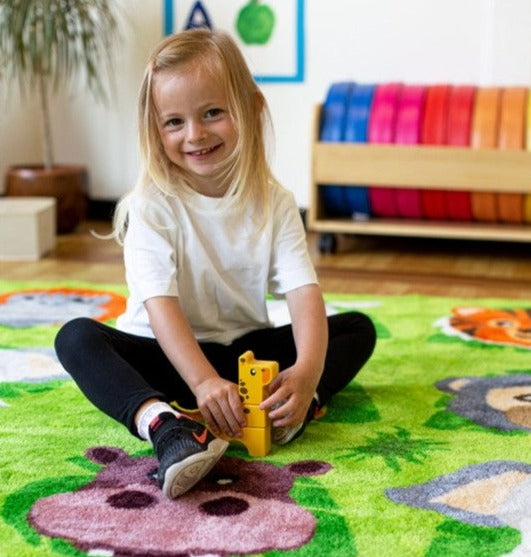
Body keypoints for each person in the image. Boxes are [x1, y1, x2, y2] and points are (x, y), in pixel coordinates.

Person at [55, 28, 376, 500]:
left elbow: (303, 291)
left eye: (212, 113)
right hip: (165, 357)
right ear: (154, 130)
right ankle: (166, 426)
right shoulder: (150, 206)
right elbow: (160, 306)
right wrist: (202, 381)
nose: (195, 134)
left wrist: (307, 373)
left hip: (241, 356)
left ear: (251, 109)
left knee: (355, 330)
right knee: (76, 337)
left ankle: (293, 408)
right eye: (174, 122)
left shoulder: (276, 202)